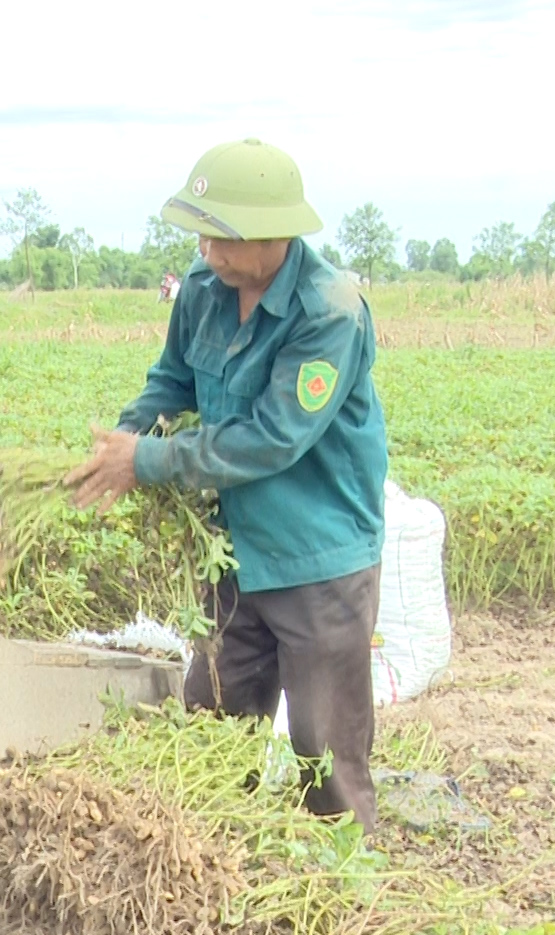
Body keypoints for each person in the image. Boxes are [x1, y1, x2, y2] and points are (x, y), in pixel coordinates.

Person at [65, 137, 389, 829]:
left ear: (275, 236)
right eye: (203, 237)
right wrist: (129, 441)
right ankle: (217, 870)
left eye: (223, 239)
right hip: (234, 556)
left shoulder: (329, 311)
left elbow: (273, 437)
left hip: (317, 563)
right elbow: (172, 383)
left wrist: (147, 464)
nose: (208, 254)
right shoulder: (205, 293)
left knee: (323, 755)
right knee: (213, 722)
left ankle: (338, 891)